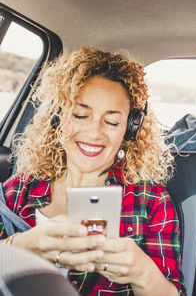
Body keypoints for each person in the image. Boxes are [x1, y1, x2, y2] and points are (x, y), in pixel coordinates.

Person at [0, 47, 186, 296]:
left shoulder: (151, 201)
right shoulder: (17, 190)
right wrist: (17, 248)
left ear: (129, 130)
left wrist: (144, 273)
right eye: (80, 114)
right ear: (58, 117)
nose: (94, 133)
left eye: (111, 122)